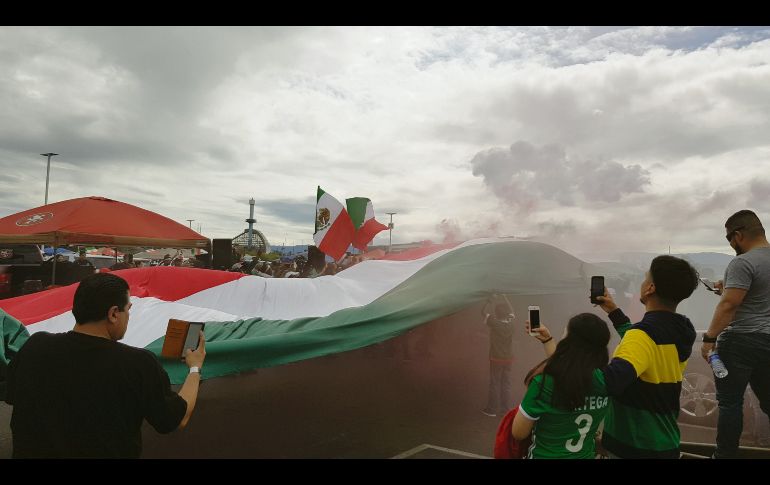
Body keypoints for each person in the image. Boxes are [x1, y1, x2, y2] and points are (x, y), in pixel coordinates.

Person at [4, 273, 206, 458]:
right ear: (113, 314)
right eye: (128, 310)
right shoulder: (137, 364)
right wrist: (194, 368)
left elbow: (11, 394)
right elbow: (176, 419)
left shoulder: (35, 346)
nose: (129, 317)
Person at [596, 255, 698, 458]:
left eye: (645, 278)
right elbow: (648, 349)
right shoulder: (681, 330)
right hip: (665, 442)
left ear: (650, 288)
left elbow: (610, 382)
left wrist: (564, 358)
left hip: (634, 446)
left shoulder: (643, 336)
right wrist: (613, 311)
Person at [701, 210, 770, 458]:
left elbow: (729, 306)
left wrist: (709, 339)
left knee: (730, 403)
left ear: (738, 235)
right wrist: (729, 289)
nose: (731, 246)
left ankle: (725, 455)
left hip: (740, 341)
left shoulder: (743, 263)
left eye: (730, 240)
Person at [511, 314, 611, 458]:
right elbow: (570, 368)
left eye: (565, 333)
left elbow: (518, 433)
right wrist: (548, 340)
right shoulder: (606, 381)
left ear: (569, 342)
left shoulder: (543, 383)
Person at [481, 294, 515, 417]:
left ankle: (492, 409)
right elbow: (512, 311)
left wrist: (489, 300)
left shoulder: (494, 322)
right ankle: (505, 409)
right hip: (508, 358)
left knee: (495, 383)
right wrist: (505, 297)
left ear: (497, 313)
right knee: (506, 383)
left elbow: (483, 311)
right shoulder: (511, 323)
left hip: (496, 358)